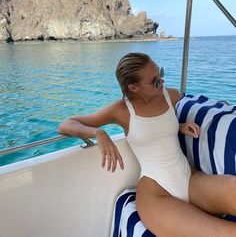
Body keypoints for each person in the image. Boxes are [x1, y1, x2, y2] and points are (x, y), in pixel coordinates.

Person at [58, 52, 236, 236]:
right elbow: (66, 125)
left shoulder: (171, 96)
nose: (162, 82)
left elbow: (159, 126)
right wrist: (98, 132)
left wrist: (180, 126)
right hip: (156, 195)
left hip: (190, 179)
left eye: (161, 75)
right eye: (155, 81)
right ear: (134, 87)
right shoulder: (122, 111)